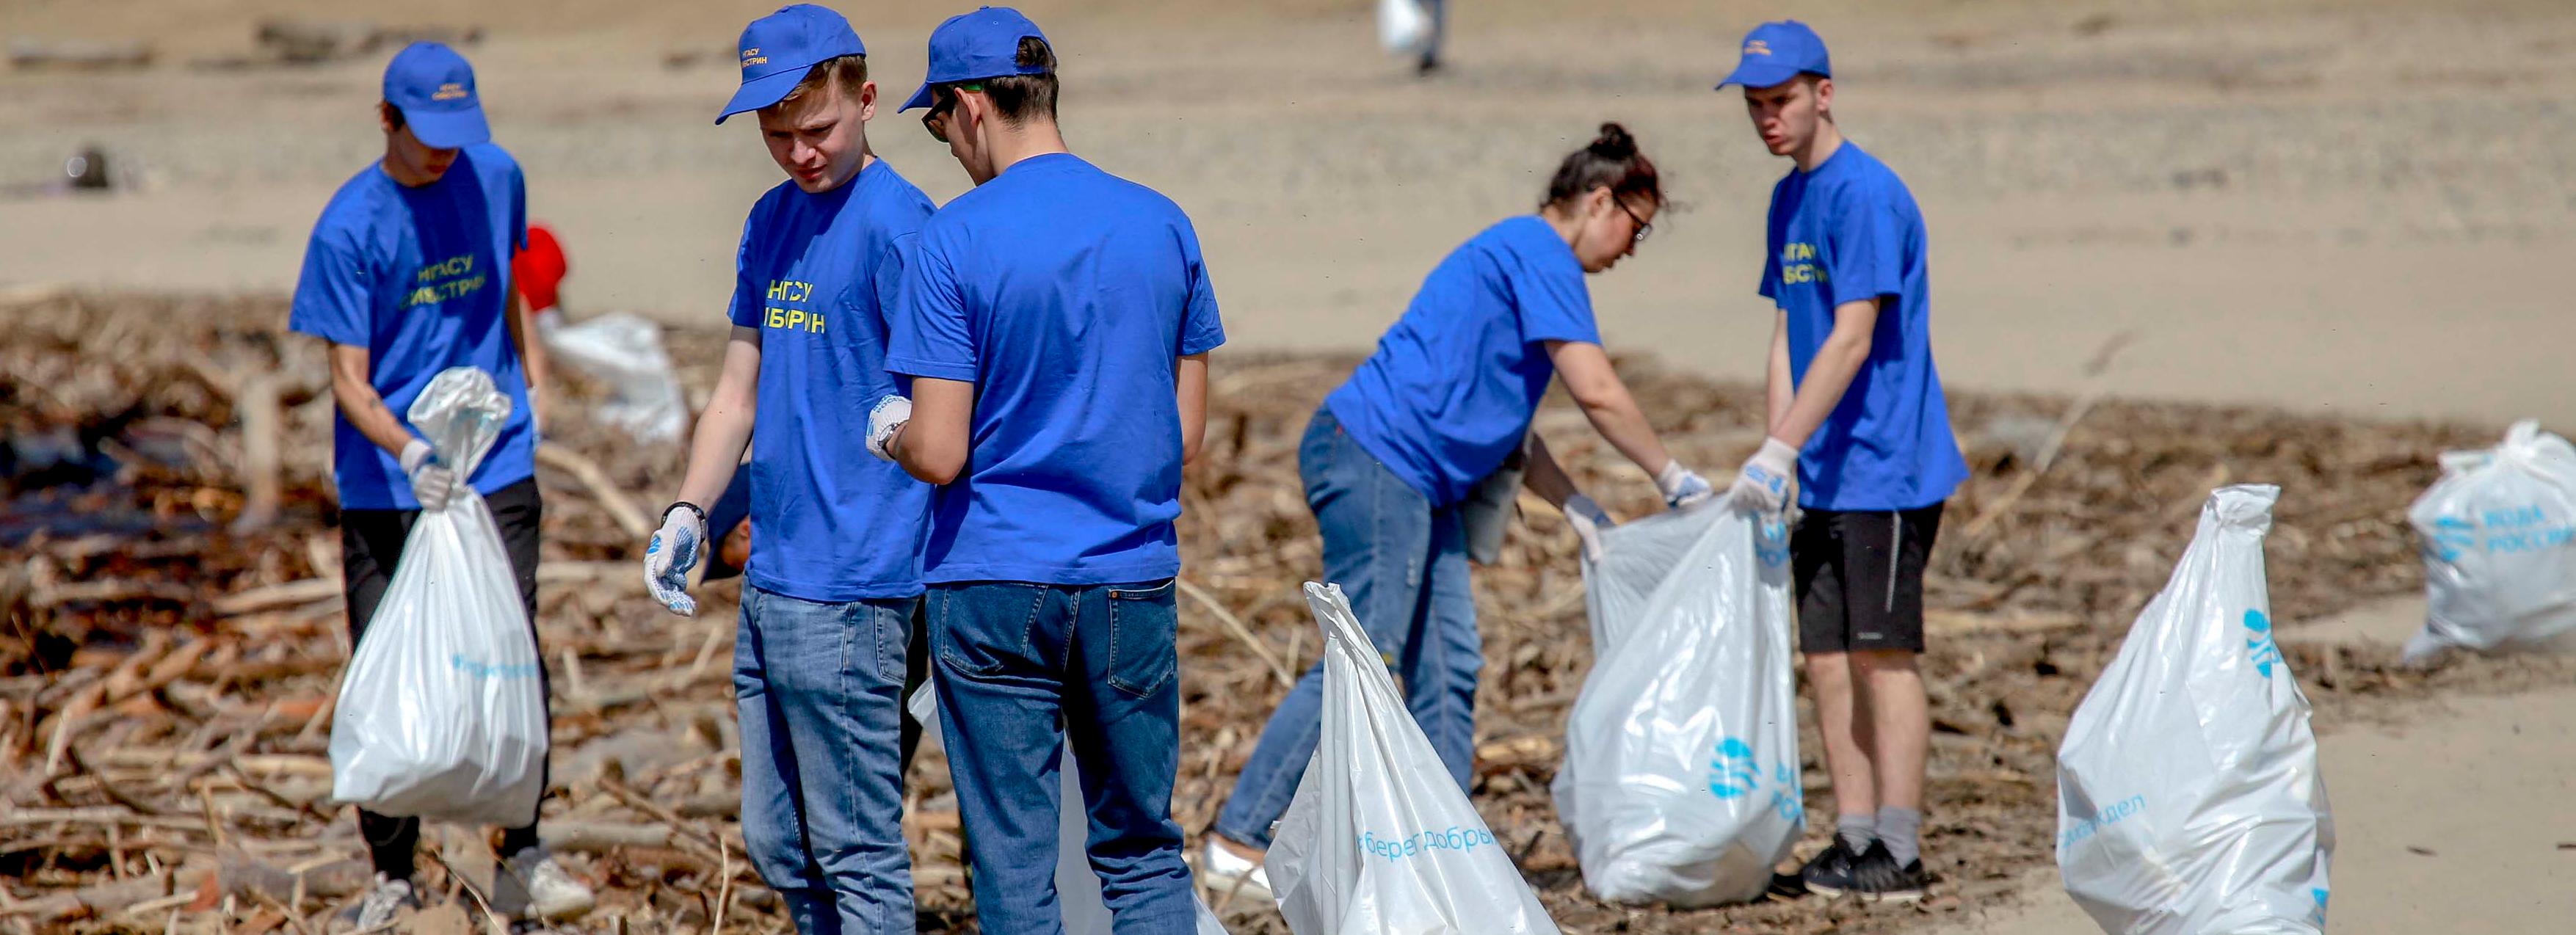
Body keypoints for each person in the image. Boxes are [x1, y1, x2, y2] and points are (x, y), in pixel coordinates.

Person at [1199, 123, 1713, 898]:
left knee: (1448, 662)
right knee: (1360, 657)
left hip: (1423, 483)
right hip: (1373, 457)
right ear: (1597, 199)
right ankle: (1237, 838)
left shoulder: (1525, 264)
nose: (1629, 249)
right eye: (1632, 229)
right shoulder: (1539, 255)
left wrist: (1576, 506)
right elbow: (1598, 390)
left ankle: (1437, 846)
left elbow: (1509, 430)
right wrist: (1673, 476)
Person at [870, 7, 1221, 931]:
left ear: (971, 107)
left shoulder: (954, 239)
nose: (942, 144)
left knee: (1015, 868)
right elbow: (1184, 437)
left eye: (936, 121)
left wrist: (889, 431)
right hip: (1128, 578)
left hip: (993, 577)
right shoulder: (1162, 224)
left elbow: (940, 450)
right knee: (1143, 851)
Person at [639, 5, 937, 931]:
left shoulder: (905, 226)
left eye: (818, 129)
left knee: (857, 851)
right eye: (777, 134)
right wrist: (689, 509)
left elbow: (944, 408)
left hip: (861, 582)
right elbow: (737, 390)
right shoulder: (769, 222)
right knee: (779, 843)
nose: (799, 152)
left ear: (868, 101)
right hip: (774, 567)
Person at [289, 42, 592, 930]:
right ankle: (393, 873)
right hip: (390, 479)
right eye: (426, 136)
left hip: (496, 459)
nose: (444, 153)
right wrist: (412, 453)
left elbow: (505, 282)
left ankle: (522, 851)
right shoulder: (351, 226)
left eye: (457, 133)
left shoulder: (495, 175)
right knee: (386, 661)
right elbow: (347, 376)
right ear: (386, 120)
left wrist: (532, 368)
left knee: (511, 648)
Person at [1716, 20, 1970, 902]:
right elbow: (1790, 326)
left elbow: (1854, 334)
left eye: (1780, 101)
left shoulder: (1864, 194)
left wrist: (1786, 441)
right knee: (1823, 659)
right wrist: (1774, 452)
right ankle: (1851, 833)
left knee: (1880, 654)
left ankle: (1898, 848)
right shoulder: (1788, 200)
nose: (1767, 120)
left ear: (1822, 93)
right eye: (1754, 106)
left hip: (1884, 465)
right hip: (1816, 470)